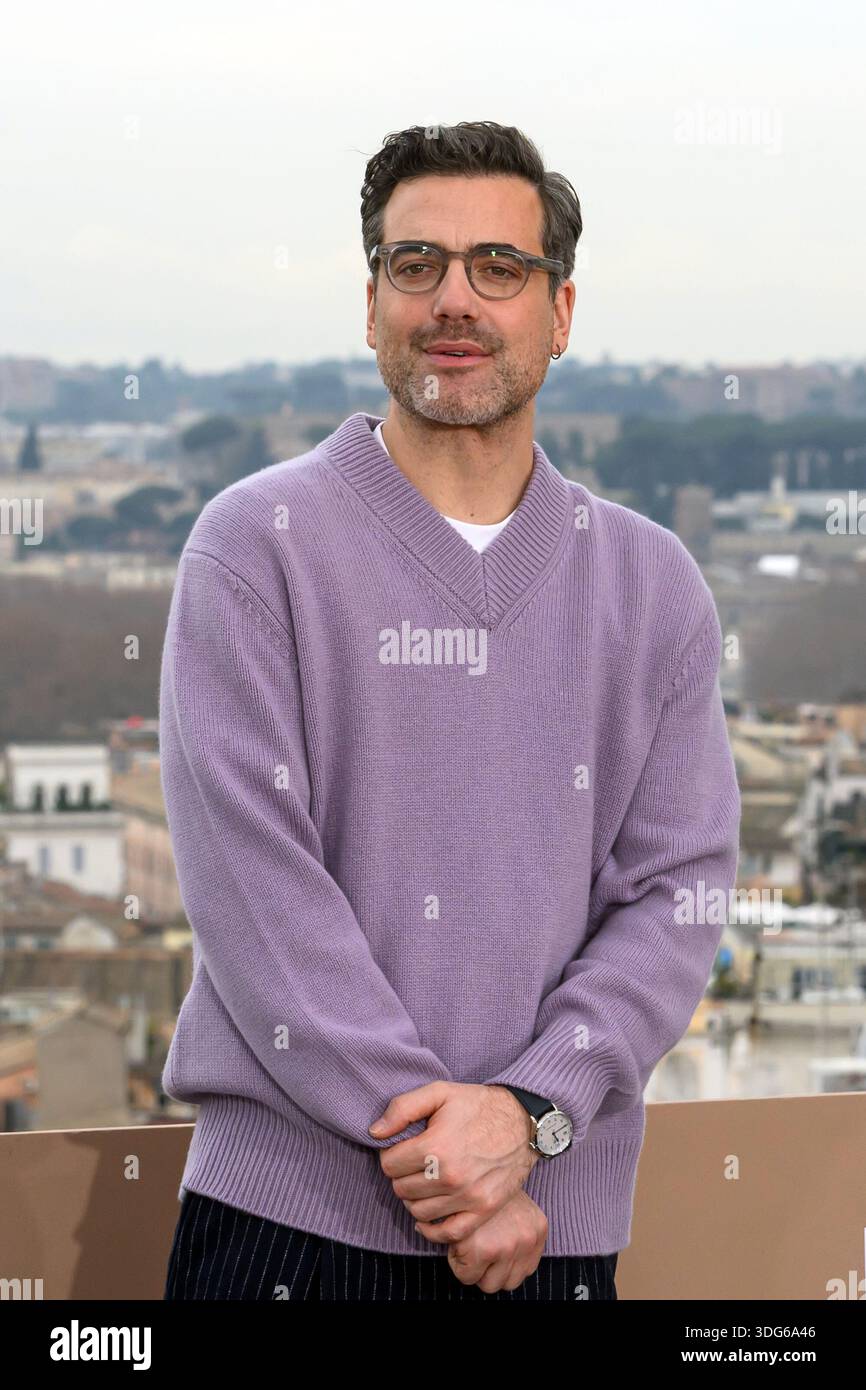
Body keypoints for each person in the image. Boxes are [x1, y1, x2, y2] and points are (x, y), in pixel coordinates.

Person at [160, 120, 741, 1301]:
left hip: (548, 1234)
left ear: (560, 311)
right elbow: (253, 890)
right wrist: (448, 1150)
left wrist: (528, 1116)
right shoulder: (251, 549)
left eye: (498, 267)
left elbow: (674, 898)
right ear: (370, 301)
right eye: (413, 264)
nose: (452, 300)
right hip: (288, 1227)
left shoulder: (652, 582)